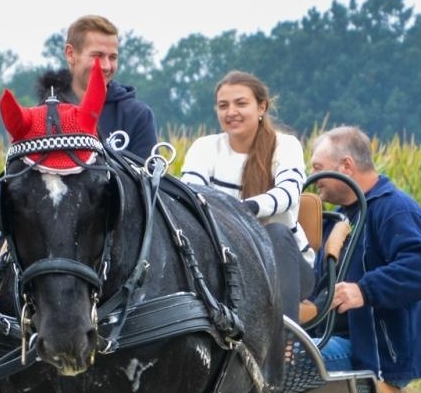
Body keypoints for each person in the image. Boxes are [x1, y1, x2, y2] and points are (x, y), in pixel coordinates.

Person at [305, 126, 421, 393]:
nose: (313, 176)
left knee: (284, 361)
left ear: (346, 166)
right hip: (335, 340)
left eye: (318, 167)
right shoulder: (337, 218)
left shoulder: (395, 209)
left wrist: (364, 290)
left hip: (377, 353)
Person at [178, 71, 313, 274]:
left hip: (285, 263)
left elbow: (288, 193)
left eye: (241, 104)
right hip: (226, 261)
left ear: (261, 107)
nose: (231, 112)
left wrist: (242, 209)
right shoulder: (204, 147)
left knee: (277, 232)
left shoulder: (285, 145)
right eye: (223, 106)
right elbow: (190, 194)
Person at [37, 14, 157, 160]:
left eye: (112, 57)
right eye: (97, 56)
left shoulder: (137, 116)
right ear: (70, 54)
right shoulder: (45, 115)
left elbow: (148, 173)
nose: (106, 66)